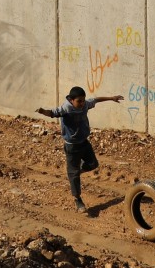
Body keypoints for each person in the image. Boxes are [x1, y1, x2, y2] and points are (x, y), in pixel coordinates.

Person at [36, 85, 123, 215]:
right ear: (71, 100)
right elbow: (52, 113)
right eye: (79, 101)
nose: (82, 104)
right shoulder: (66, 108)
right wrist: (43, 111)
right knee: (74, 174)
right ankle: (78, 200)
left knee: (93, 164)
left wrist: (112, 98)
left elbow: (96, 100)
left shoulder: (85, 105)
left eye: (83, 100)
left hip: (84, 142)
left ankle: (76, 172)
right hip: (71, 146)